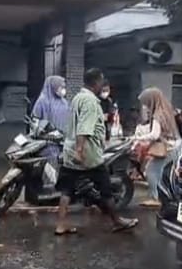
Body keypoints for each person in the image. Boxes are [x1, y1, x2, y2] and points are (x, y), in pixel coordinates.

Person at [54, 68, 138, 236]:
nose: (103, 85)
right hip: (87, 154)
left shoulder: (77, 98)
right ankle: (117, 221)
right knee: (105, 187)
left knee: (67, 190)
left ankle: (60, 225)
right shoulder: (91, 102)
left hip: (70, 151)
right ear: (96, 82)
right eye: (101, 81)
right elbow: (84, 129)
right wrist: (80, 151)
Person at [133, 87, 181, 208]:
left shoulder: (157, 115)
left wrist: (139, 137)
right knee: (161, 173)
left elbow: (155, 134)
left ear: (151, 101)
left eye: (146, 103)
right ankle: (164, 196)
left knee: (151, 172)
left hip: (168, 148)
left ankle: (157, 198)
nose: (145, 106)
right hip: (175, 146)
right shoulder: (166, 110)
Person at [30, 75, 69, 185]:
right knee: (51, 164)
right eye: (60, 87)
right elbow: (35, 121)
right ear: (53, 87)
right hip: (47, 143)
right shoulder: (42, 101)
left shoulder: (64, 103)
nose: (63, 90)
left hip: (63, 141)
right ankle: (48, 188)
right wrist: (42, 130)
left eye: (64, 87)